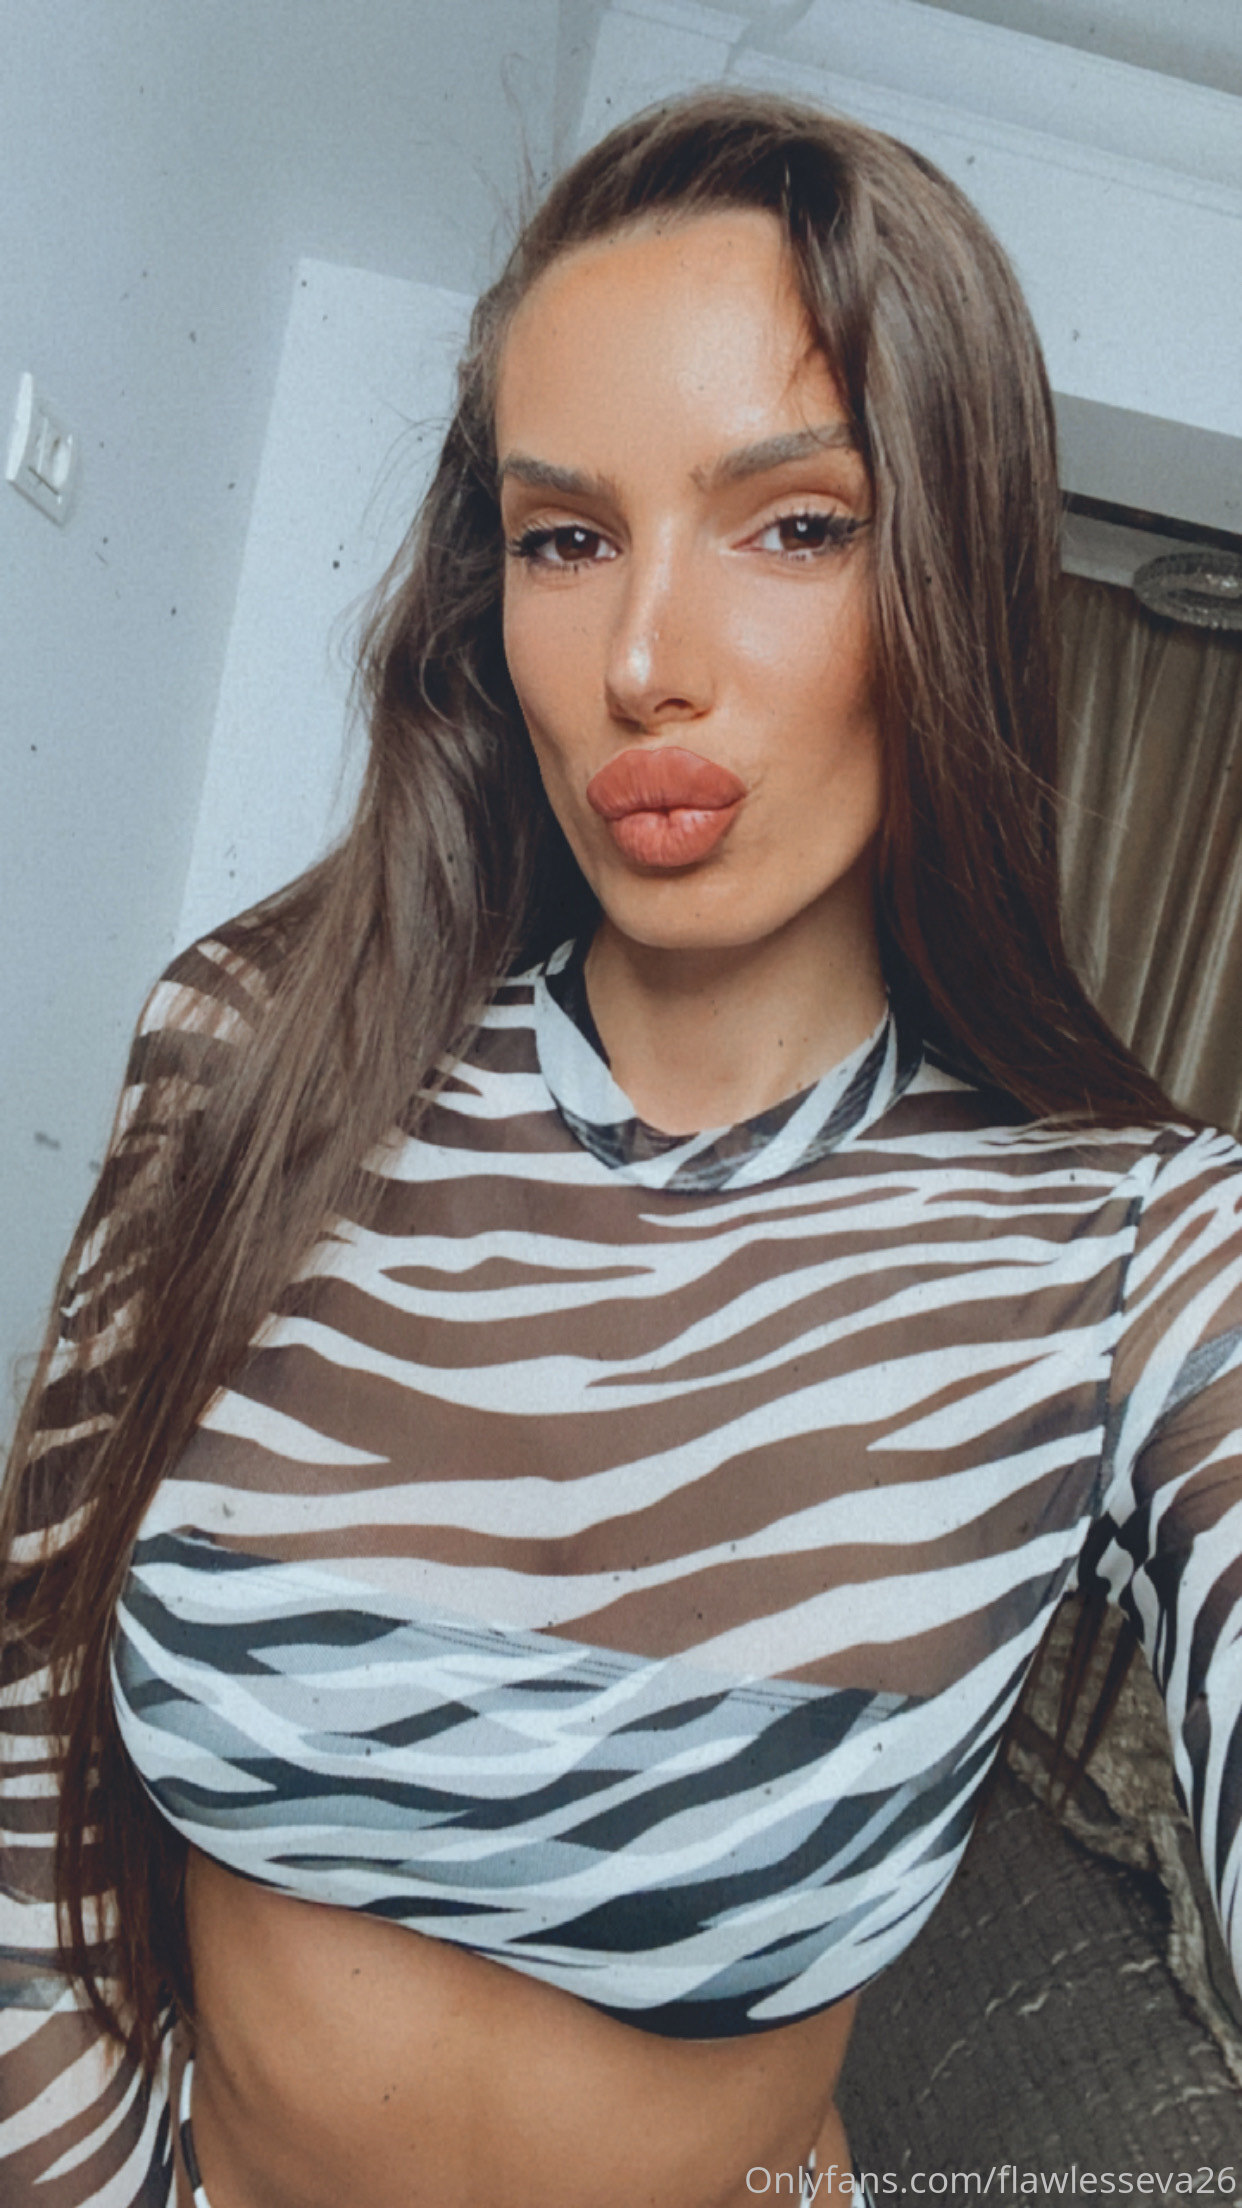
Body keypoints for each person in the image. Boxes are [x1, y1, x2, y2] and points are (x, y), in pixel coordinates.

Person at [2, 87, 1240, 2208]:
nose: (644, 664)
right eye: (565, 540)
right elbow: (31, 1756)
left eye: (795, 525)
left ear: (950, 575)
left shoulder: (1131, 1248)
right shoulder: (252, 1056)